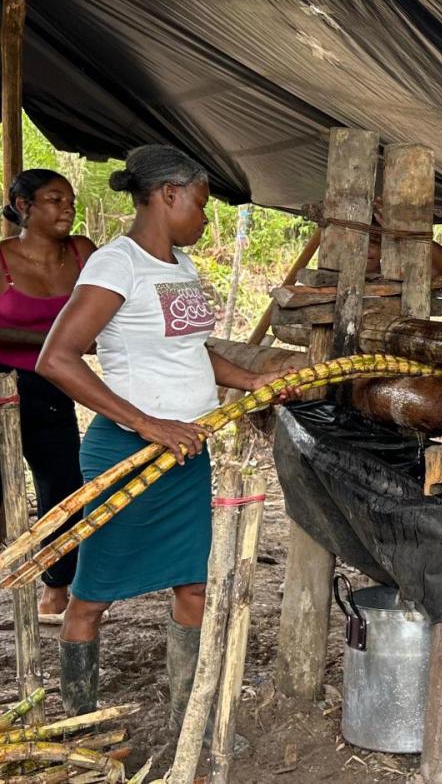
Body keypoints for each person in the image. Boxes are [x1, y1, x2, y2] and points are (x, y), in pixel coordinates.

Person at [38, 145, 299, 726]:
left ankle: (190, 712)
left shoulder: (180, 268)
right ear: (169, 194)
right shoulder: (117, 263)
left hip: (186, 454)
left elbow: (192, 352)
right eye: (202, 205)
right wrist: (145, 422)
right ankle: (81, 718)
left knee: (195, 587)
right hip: (128, 455)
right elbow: (57, 358)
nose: (205, 220)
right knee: (93, 595)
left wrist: (254, 380)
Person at [0, 170, 96, 622]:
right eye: (55, 199)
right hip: (3, 378)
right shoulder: (1, 260)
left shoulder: (82, 253)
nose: (67, 208)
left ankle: (57, 585)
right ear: (24, 206)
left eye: (70, 200)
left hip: (51, 382)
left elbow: (111, 306)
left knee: (62, 482)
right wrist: (58, 340)